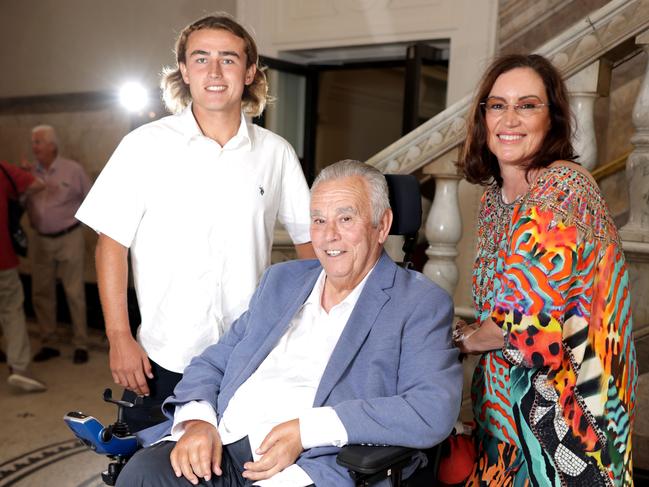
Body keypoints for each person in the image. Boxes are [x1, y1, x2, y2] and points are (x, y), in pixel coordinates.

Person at [115, 159, 462, 487]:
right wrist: (198, 422)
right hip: (223, 442)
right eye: (319, 220)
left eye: (346, 219)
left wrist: (307, 430)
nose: (328, 236)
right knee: (141, 474)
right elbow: (214, 361)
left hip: (311, 462)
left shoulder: (419, 303)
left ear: (381, 225)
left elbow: (431, 408)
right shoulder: (282, 281)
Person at [75, 13, 314, 432]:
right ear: (184, 71)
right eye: (201, 59)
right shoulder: (143, 146)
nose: (215, 71)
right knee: (153, 469)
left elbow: (310, 246)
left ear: (250, 70)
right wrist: (119, 337)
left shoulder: (276, 153)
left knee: (237, 469)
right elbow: (110, 244)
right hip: (164, 356)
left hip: (248, 354)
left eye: (229, 58)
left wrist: (307, 330)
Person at [456, 53, 638, 485]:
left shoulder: (563, 186)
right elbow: (498, 307)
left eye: (527, 105)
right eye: (497, 105)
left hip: (569, 423)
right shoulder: (494, 200)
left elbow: (521, 327)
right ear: (483, 119)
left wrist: (461, 340)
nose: (509, 118)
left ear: (552, 118)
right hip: (506, 422)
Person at [25, 125, 91, 365]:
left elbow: (92, 199)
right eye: (33, 142)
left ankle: (81, 343)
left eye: (38, 141)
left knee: (74, 292)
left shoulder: (72, 170)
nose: (34, 147)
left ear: (52, 145)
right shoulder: (30, 172)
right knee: (42, 293)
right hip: (40, 239)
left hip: (69, 236)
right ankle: (49, 342)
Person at [0, 161, 47, 392]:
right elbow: (37, 184)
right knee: (11, 309)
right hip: (3, 257)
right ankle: (18, 368)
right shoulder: (4, 169)